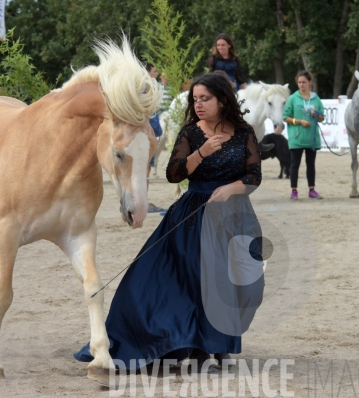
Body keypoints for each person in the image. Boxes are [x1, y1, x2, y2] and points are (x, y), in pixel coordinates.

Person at [74, 72, 264, 373]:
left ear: (222, 99)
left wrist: (230, 189)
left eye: (205, 99)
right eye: (195, 99)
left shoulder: (243, 134)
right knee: (195, 281)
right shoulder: (190, 133)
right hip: (193, 215)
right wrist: (201, 153)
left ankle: (222, 348)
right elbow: (174, 174)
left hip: (234, 214)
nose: (198, 104)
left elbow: (254, 176)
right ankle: (202, 351)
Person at [283, 70, 324, 200]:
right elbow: (285, 117)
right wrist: (299, 121)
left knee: (311, 164)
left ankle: (312, 190)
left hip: (312, 138)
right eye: (299, 82)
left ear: (310, 82)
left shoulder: (316, 98)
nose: (301, 85)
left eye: (304, 82)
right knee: (294, 164)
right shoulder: (293, 99)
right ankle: (294, 191)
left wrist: (316, 114)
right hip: (296, 138)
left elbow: (322, 118)